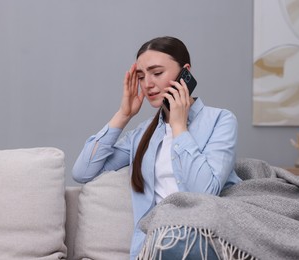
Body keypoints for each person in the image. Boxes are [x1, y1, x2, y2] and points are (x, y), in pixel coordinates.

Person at [72, 36, 242, 260]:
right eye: (141, 76)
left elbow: (204, 193)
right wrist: (123, 115)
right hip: (159, 244)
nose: (148, 84)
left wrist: (179, 126)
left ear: (186, 73)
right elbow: (82, 172)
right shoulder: (143, 134)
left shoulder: (221, 120)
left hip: (205, 239)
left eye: (157, 73)